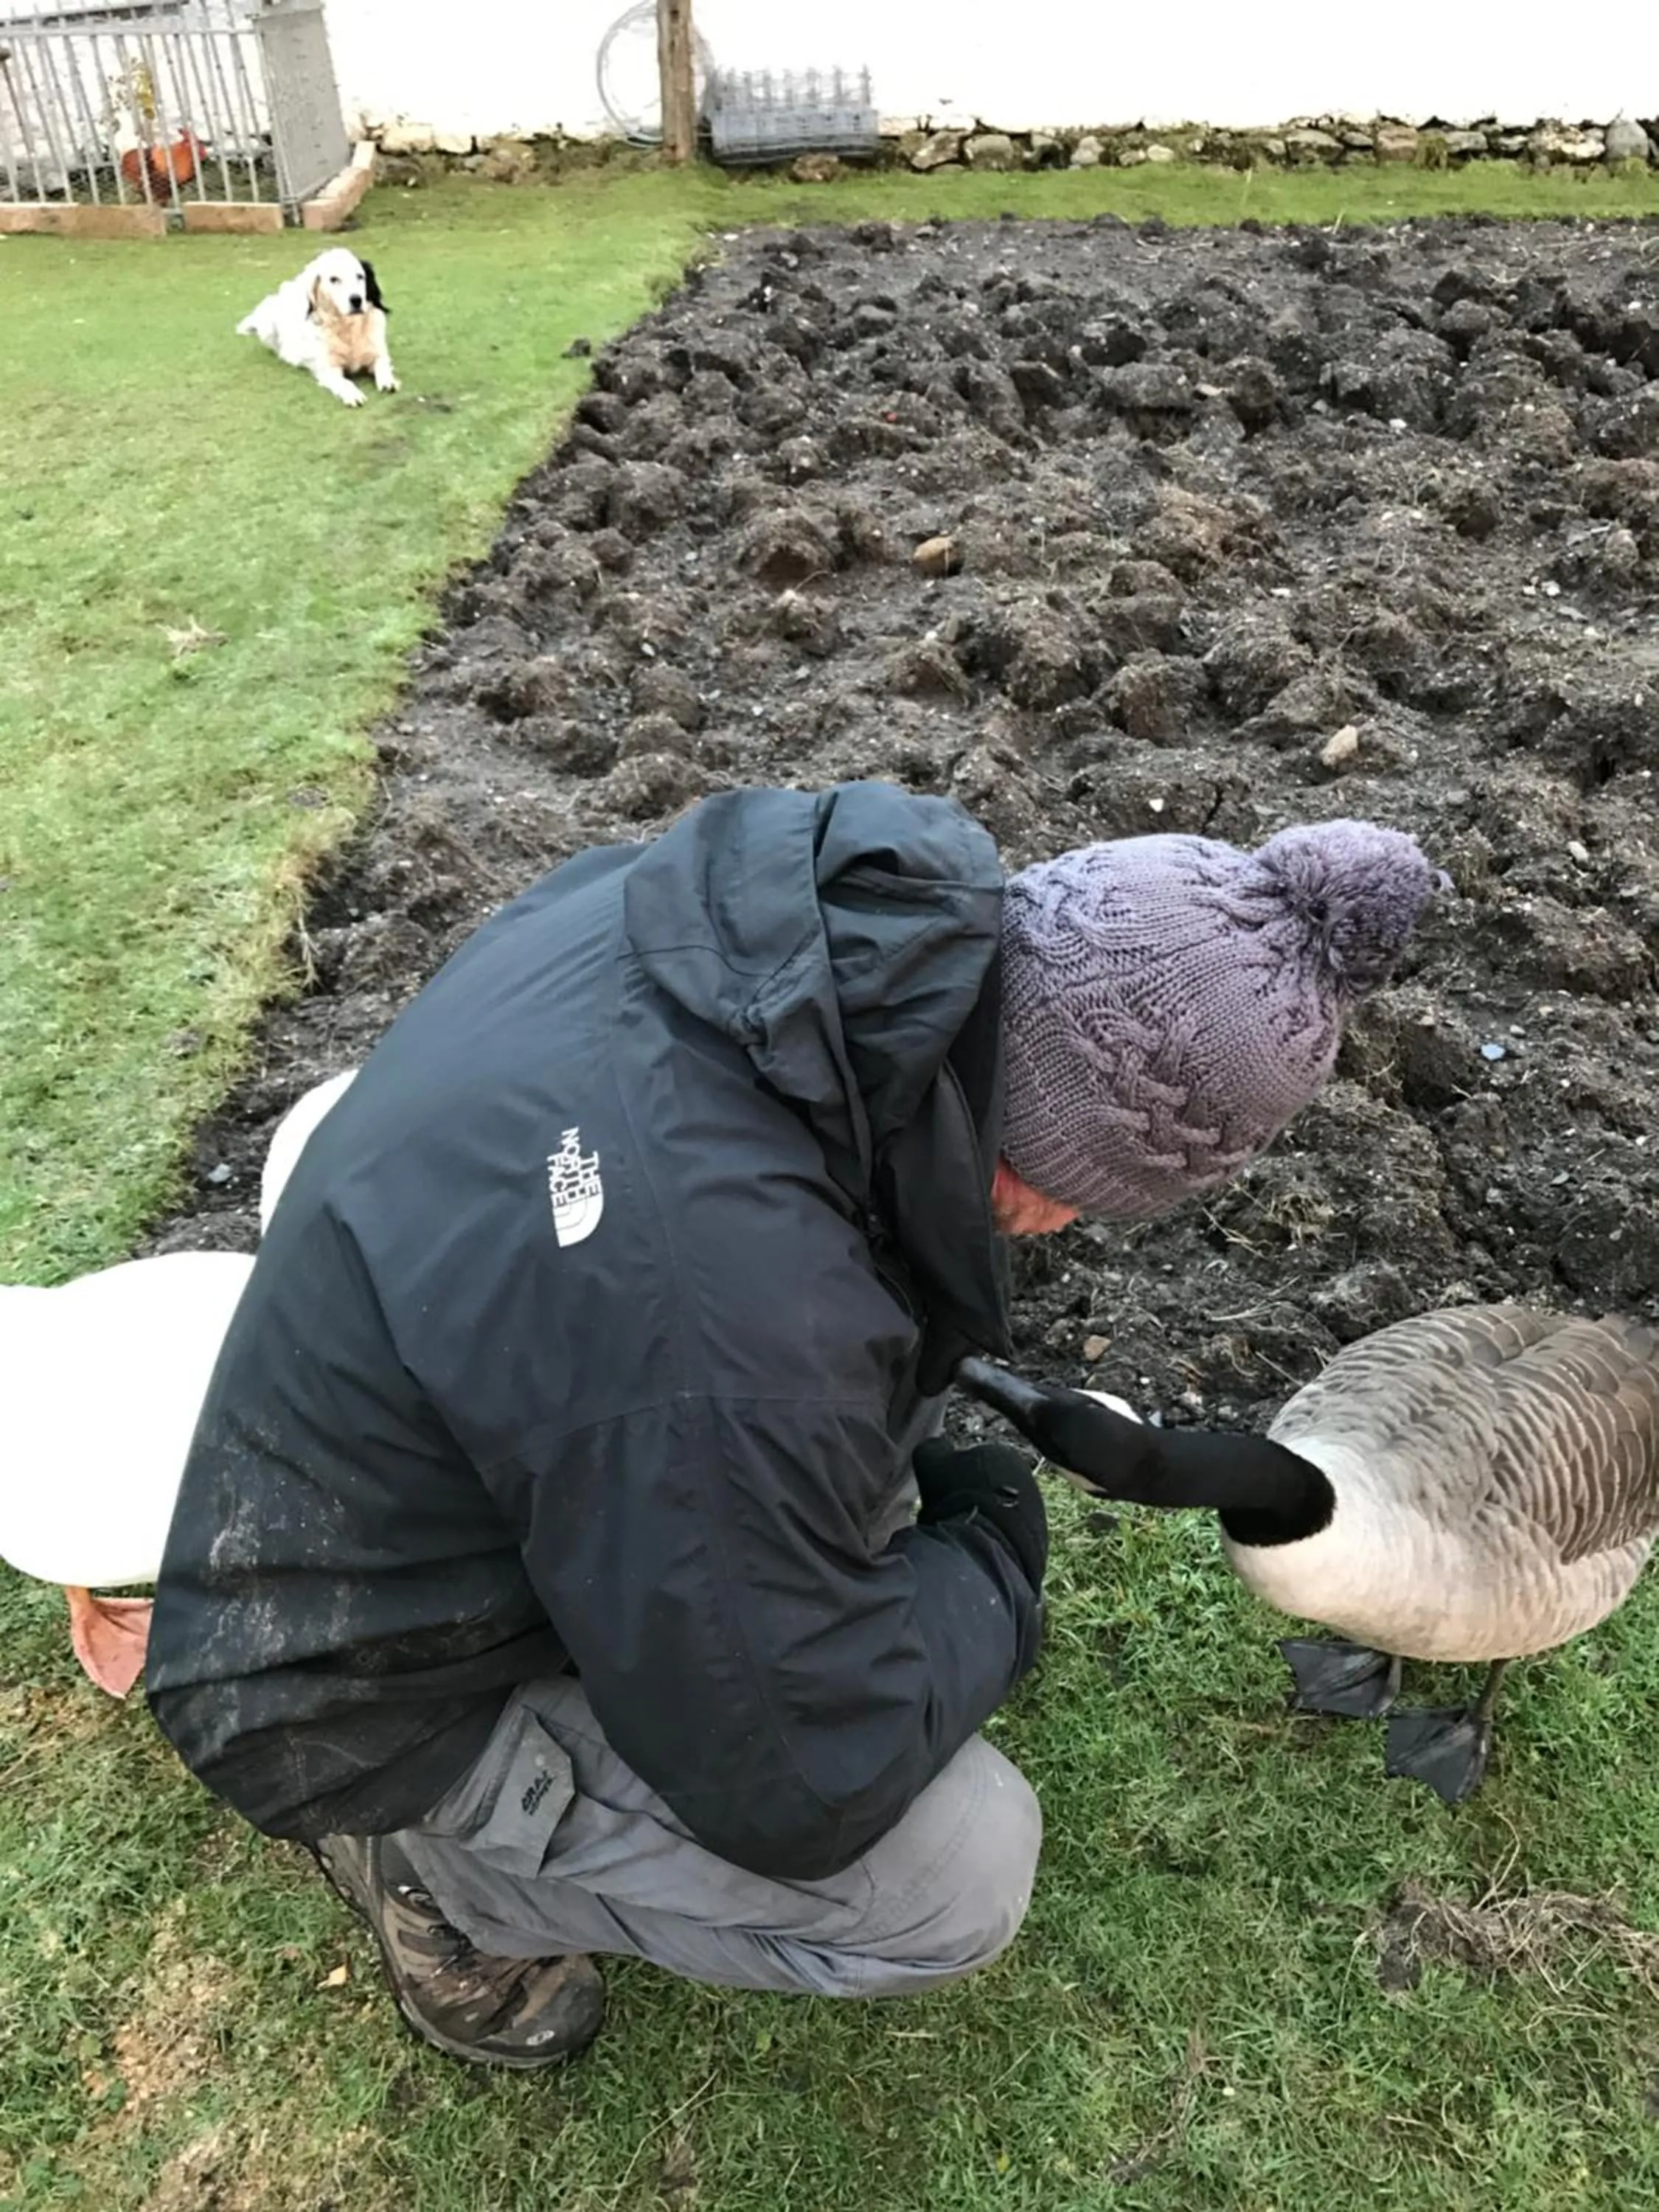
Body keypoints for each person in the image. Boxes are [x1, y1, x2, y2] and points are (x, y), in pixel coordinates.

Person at [147, 781, 1436, 2070]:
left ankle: (644, 1659)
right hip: (347, 1673)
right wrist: (991, 1570)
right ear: (1058, 1128)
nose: (1070, 1228)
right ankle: (438, 1875)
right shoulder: (730, 1324)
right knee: (956, 1872)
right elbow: (803, 1775)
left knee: (840, 1429)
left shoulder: (746, 933)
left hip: (434, 1415)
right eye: (1086, 1195)